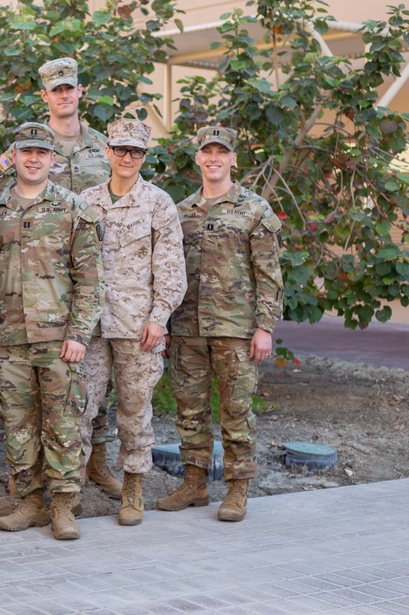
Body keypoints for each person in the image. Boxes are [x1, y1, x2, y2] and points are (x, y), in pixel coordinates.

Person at [0, 56, 121, 499]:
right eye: (56, 89)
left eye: (71, 87)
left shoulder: (105, 148)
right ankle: (34, 480)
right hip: (36, 290)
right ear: (44, 96)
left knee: (98, 381)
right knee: (49, 386)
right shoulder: (22, 151)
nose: (65, 95)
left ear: (80, 91)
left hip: (97, 278)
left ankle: (95, 463)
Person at [0, 122, 104, 541]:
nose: (33, 159)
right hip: (8, 339)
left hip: (59, 339)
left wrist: (79, 334)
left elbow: (91, 280)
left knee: (63, 422)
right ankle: (29, 500)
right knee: (17, 423)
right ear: (16, 155)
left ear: (51, 159)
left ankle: (63, 504)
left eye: (41, 153)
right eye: (26, 152)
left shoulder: (71, 209)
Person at [156, 125, 283, 523]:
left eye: (221, 152)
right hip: (188, 328)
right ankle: (194, 483)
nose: (213, 158)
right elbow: (167, 271)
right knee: (189, 409)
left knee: (236, 410)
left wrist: (265, 327)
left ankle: (237, 488)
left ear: (232, 159)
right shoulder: (179, 212)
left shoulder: (254, 209)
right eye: (206, 151)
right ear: (197, 158)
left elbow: (269, 273)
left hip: (236, 329)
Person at [79, 118, 187, 526]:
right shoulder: (86, 200)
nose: (127, 157)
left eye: (136, 151)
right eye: (120, 149)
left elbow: (171, 268)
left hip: (138, 325)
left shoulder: (158, 203)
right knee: (80, 406)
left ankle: (133, 485)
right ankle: (70, 487)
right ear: (107, 152)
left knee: (134, 407)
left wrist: (160, 318)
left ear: (144, 156)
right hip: (89, 326)